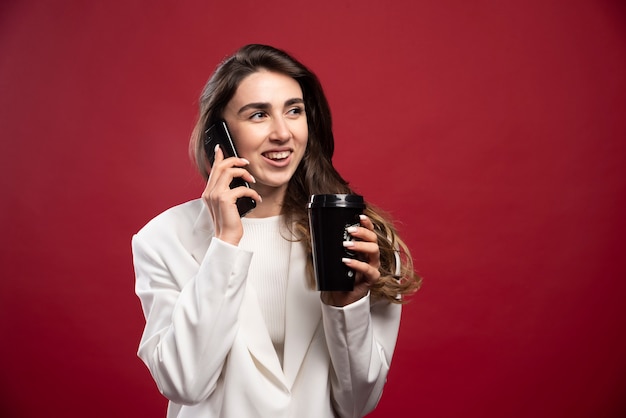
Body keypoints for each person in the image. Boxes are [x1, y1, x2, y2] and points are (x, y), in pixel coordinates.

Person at [132, 44, 421, 418]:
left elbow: (355, 405)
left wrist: (346, 307)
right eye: (258, 115)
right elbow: (185, 383)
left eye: (294, 111)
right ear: (219, 133)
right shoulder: (162, 239)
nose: (282, 133)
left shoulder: (359, 234)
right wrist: (224, 244)